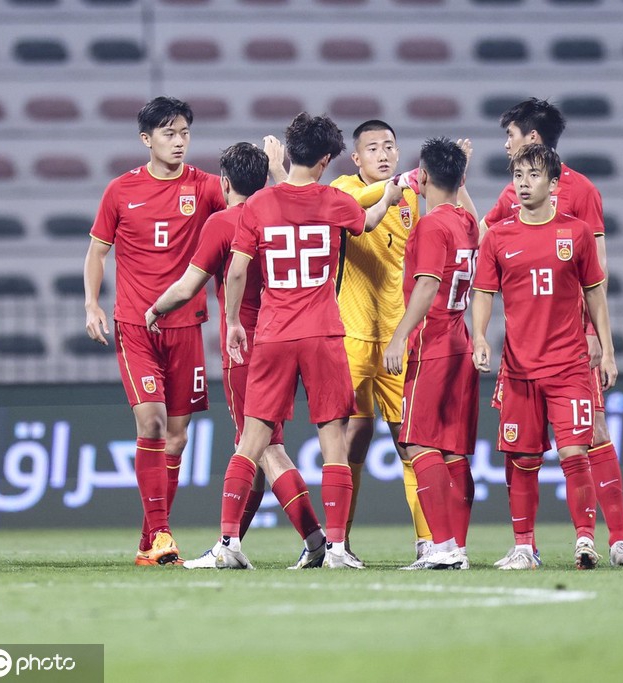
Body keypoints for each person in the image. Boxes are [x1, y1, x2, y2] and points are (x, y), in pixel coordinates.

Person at [204, 112, 401, 570]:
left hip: (272, 333)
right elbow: (367, 222)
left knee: (252, 438)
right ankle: (335, 548)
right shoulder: (334, 200)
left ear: (289, 152)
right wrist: (390, 198)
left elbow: (235, 271)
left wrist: (233, 321)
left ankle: (229, 543)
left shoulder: (258, 205)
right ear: (328, 159)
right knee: (333, 436)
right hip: (323, 332)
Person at [143, 140, 326, 570]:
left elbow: (188, 286)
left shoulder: (224, 223)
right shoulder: (276, 214)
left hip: (246, 350)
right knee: (260, 453)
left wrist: (154, 309)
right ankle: (233, 542)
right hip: (290, 338)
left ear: (224, 182)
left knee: (264, 447)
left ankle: (313, 539)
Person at [481, 97, 623, 567]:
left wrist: (594, 334)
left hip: (573, 339)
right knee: (527, 447)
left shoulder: (582, 191)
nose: (505, 145)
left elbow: (597, 269)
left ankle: (615, 539)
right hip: (525, 349)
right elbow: (490, 244)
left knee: (593, 434)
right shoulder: (513, 194)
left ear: (532, 139)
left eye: (510, 135)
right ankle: (528, 544)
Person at [84, 96, 226, 566]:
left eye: (185, 132)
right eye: (169, 133)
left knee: (178, 438)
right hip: (134, 324)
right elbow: (97, 253)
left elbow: (243, 218)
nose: (179, 141)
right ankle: (163, 532)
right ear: (146, 140)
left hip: (186, 326)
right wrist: (91, 304)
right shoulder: (121, 190)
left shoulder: (205, 187)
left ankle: (149, 543)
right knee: (151, 423)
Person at [324, 120, 430, 561]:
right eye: (373, 148)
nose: (383, 154)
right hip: (350, 336)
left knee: (409, 440)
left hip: (394, 338)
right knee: (351, 439)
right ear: (357, 158)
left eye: (390, 146)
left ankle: (429, 542)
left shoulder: (410, 201)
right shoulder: (343, 188)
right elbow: (357, 204)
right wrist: (397, 185)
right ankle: (340, 542)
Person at [382, 137, 480, 570]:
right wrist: (462, 178)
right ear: (460, 180)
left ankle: (440, 546)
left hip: (432, 345)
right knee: (454, 451)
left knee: (419, 443)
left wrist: (400, 336)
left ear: (420, 178)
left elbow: (426, 285)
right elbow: (476, 221)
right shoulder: (466, 222)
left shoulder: (429, 227)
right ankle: (455, 545)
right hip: (460, 344)